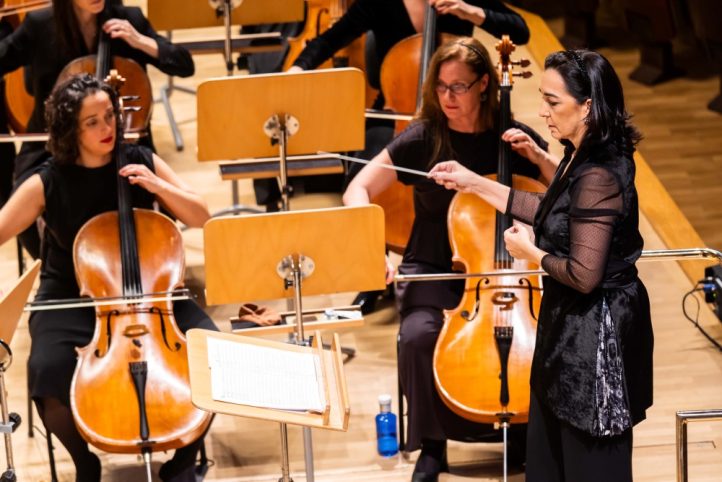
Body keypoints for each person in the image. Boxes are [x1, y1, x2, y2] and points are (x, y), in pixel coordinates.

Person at [429, 49, 654, 482]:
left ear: (587, 105)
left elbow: (584, 275)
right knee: (550, 455)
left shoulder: (599, 173)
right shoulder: (581, 151)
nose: (542, 112)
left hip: (596, 340)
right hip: (568, 328)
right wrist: (473, 182)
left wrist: (531, 254)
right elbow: (548, 208)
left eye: (553, 102)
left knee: (590, 461)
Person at [343, 37, 551, 482]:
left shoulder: (512, 138)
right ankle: (433, 446)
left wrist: (538, 156)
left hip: (506, 272)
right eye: (440, 86)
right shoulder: (424, 137)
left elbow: (566, 193)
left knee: (543, 341)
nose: (448, 97)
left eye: (459, 86)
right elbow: (356, 189)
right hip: (434, 265)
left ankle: (526, 432)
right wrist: (373, 247)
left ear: (483, 86)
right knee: (418, 336)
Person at [0, 74, 216, 482]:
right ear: (70, 130)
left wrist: (157, 186)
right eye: (93, 122)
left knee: (213, 356)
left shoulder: (140, 158)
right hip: (73, 294)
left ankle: (183, 464)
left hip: (153, 291)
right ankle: (86, 464)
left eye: (109, 116)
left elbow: (202, 216)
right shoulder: (49, 181)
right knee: (46, 371)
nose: (107, 128)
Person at [290, 0, 531, 314]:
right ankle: (373, 274)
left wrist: (469, 12)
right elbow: (333, 37)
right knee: (360, 171)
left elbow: (519, 30)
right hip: (398, 109)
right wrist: (297, 69)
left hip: (459, 113)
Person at [0, 0, 194, 258]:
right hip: (51, 146)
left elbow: (184, 65)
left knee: (163, 200)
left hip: (119, 140)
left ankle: (147, 265)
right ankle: (62, 270)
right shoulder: (41, 25)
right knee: (24, 206)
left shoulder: (128, 20)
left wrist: (140, 41)